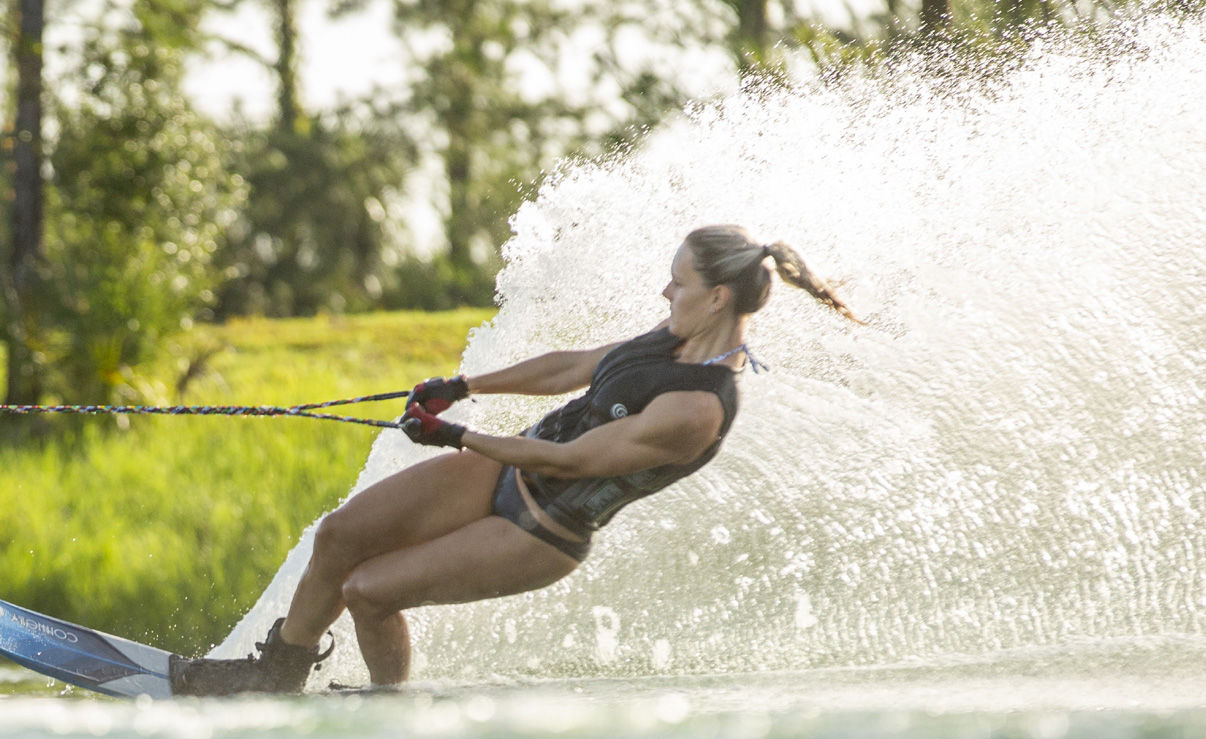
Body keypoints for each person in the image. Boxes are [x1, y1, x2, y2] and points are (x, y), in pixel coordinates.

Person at [169, 225, 863, 695]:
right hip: (507, 472)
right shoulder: (674, 336)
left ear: (716, 296)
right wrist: (465, 387)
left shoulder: (699, 407)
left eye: (676, 284)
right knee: (340, 536)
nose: (664, 293)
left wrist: (458, 436)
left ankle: (389, 714)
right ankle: (277, 674)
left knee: (369, 592)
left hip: (540, 530)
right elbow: (575, 367)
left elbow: (570, 463)